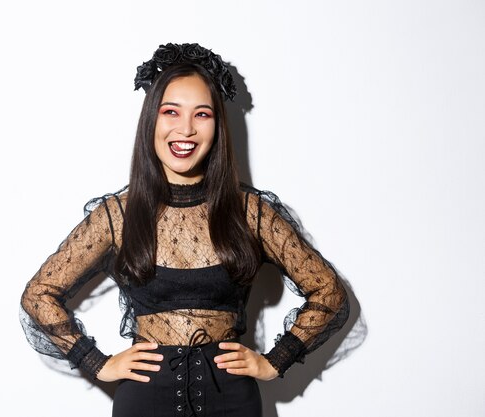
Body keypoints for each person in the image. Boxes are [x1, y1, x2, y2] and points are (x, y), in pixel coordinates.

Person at [19, 43, 350, 417]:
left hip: (233, 402)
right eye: (171, 111)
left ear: (217, 126)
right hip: (143, 402)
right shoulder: (118, 215)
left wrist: (276, 361)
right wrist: (96, 361)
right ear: (152, 121)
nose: (186, 129)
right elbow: (39, 294)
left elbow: (329, 292)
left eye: (202, 114)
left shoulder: (251, 212)